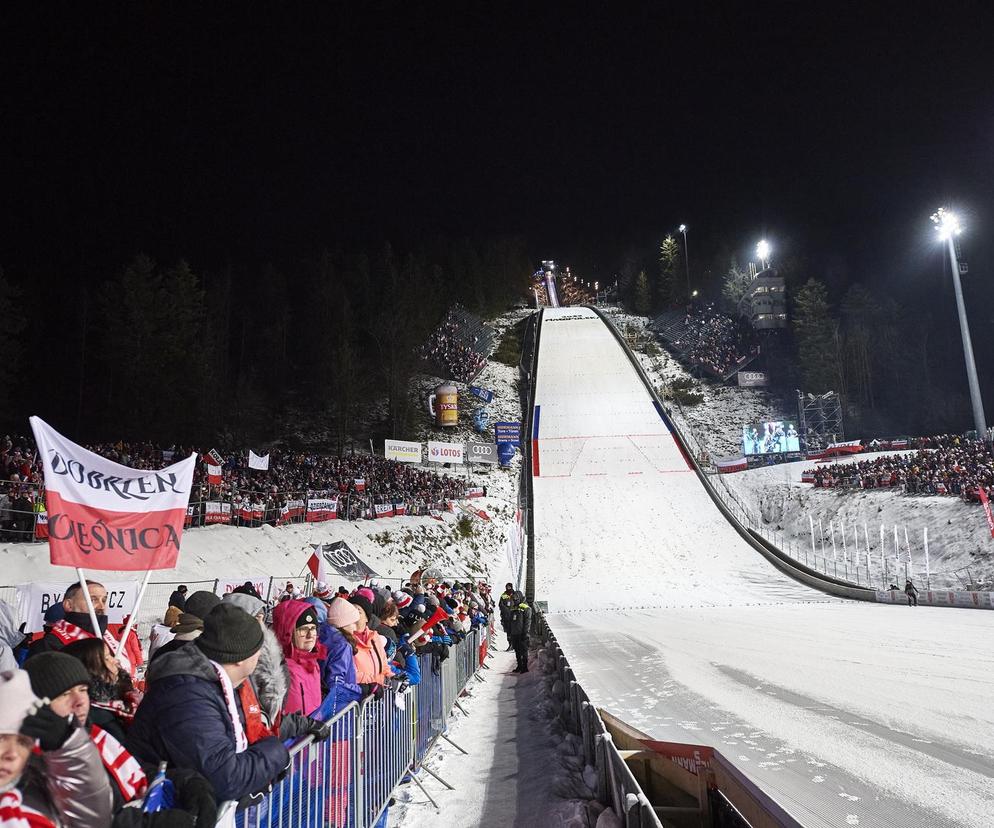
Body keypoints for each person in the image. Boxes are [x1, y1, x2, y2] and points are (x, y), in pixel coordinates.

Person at [127, 603, 328, 803]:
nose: (261, 657)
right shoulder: (187, 696)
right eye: (259, 649)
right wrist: (277, 752)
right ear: (242, 657)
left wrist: (302, 725)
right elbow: (226, 778)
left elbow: (253, 725)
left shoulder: (224, 681)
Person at [0, 669, 114, 828]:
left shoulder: (37, 789)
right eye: (2, 738)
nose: (12, 754)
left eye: (23, 742)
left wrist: (69, 745)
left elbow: (92, 822)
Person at [29, 580, 133, 676]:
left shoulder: (108, 640)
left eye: (104, 600)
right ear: (69, 605)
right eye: (92, 600)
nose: (101, 606)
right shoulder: (48, 647)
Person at [62, 638, 142, 729]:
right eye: (107, 658)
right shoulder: (97, 720)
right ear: (89, 670)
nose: (115, 661)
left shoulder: (125, 699)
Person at [272, 600, 326, 716]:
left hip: (313, 731)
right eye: (303, 629)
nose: (310, 635)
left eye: (313, 628)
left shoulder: (313, 662)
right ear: (288, 633)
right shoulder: (279, 667)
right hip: (293, 733)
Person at [504, 591, 532, 674]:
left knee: (523, 650)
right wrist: (509, 632)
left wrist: (525, 632)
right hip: (514, 633)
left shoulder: (526, 608)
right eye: (513, 598)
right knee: (517, 650)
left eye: (516, 598)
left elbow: (527, 621)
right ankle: (519, 665)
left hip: (522, 633)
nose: (514, 599)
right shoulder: (513, 608)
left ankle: (525, 666)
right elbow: (510, 621)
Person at [499, 583, 516, 651]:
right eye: (507, 587)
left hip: (515, 616)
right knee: (508, 632)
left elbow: (519, 602)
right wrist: (506, 610)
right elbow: (500, 604)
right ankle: (510, 644)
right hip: (506, 617)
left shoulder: (515, 594)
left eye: (509, 587)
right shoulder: (503, 595)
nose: (508, 588)